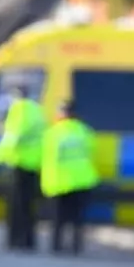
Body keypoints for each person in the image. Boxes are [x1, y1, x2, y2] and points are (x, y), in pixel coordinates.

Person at [0, 85, 46, 251]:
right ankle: (29, 240)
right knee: (29, 206)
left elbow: (13, 136)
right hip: (35, 163)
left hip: (19, 163)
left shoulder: (19, 110)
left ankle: (15, 241)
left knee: (16, 206)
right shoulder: (37, 110)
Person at [41, 99, 99, 255]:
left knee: (58, 218)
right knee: (77, 218)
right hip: (82, 179)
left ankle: (57, 245)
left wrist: (46, 184)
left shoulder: (53, 132)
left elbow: (48, 159)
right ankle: (76, 246)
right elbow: (91, 152)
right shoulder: (84, 131)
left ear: (60, 113)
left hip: (60, 181)